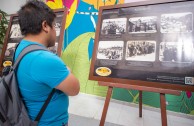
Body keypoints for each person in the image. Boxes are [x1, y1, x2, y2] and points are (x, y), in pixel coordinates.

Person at [15, 1, 80, 126]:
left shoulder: (21, 47)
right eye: (54, 26)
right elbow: (74, 89)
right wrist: (67, 70)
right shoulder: (44, 59)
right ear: (45, 25)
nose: (55, 31)